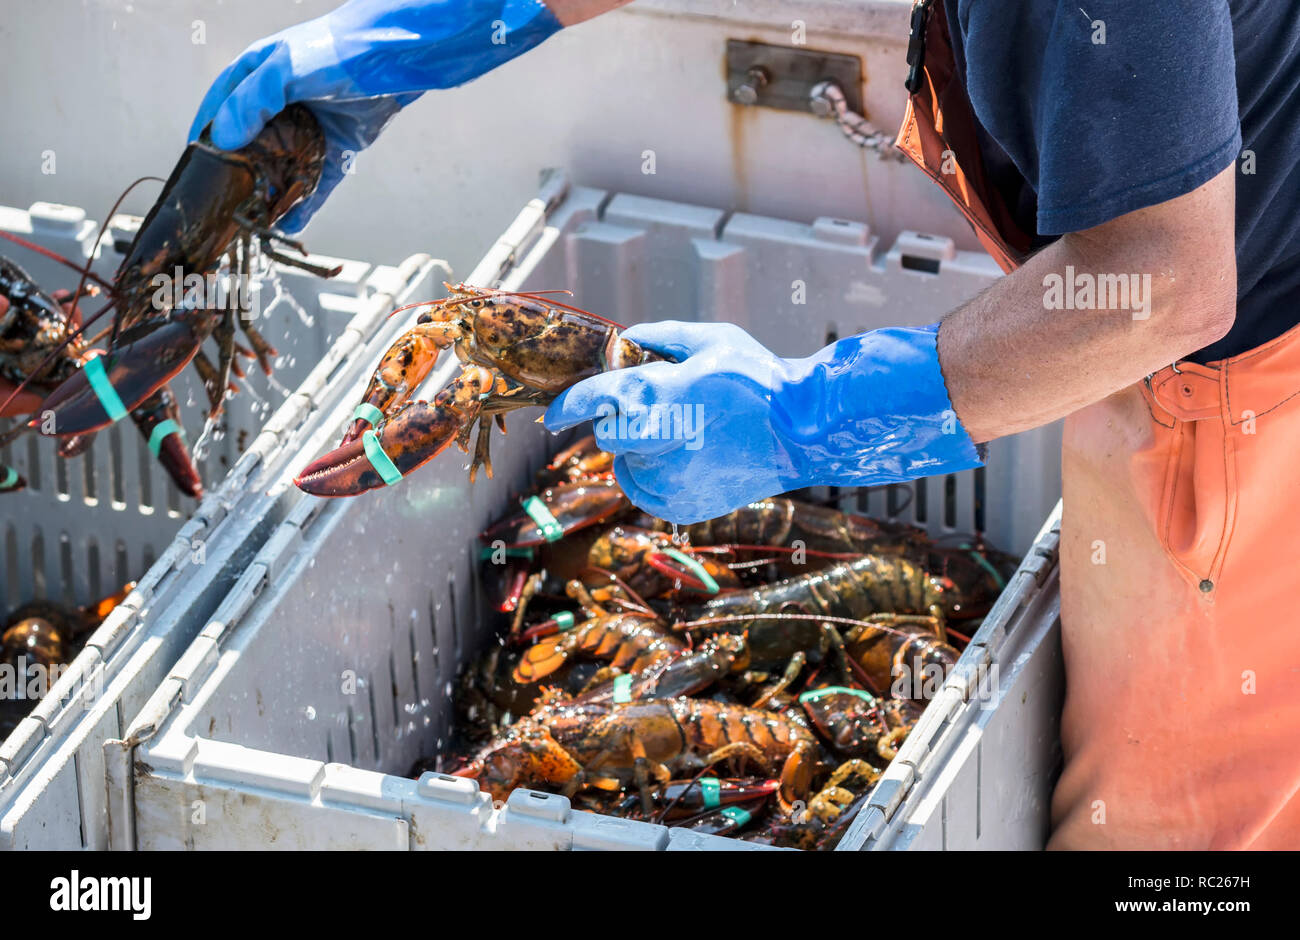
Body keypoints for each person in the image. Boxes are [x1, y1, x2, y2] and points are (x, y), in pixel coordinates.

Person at [188, 0, 1300, 850]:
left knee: (1171, 845)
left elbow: (1159, 280)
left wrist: (796, 418)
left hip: (1240, 388)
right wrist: (428, 32)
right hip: (1139, 334)